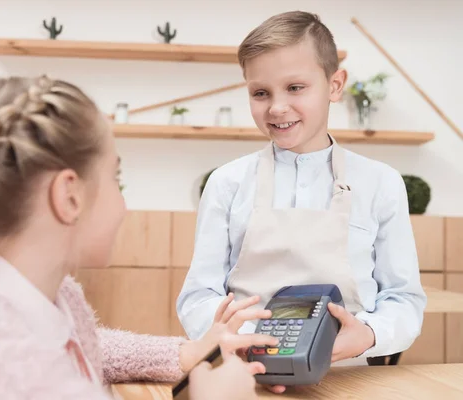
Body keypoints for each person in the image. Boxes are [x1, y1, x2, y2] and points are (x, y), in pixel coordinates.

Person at [0, 76, 282, 400]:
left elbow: (89, 346)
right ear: (69, 196)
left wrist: (187, 353)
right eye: (114, 179)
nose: (123, 204)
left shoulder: (45, 298)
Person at [177, 10, 427, 369]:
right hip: (243, 372)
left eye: (295, 88)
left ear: (335, 85)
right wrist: (242, 339)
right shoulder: (227, 183)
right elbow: (198, 296)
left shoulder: (380, 182)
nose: (277, 107)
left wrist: (369, 334)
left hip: (347, 377)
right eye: (260, 93)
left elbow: (403, 299)